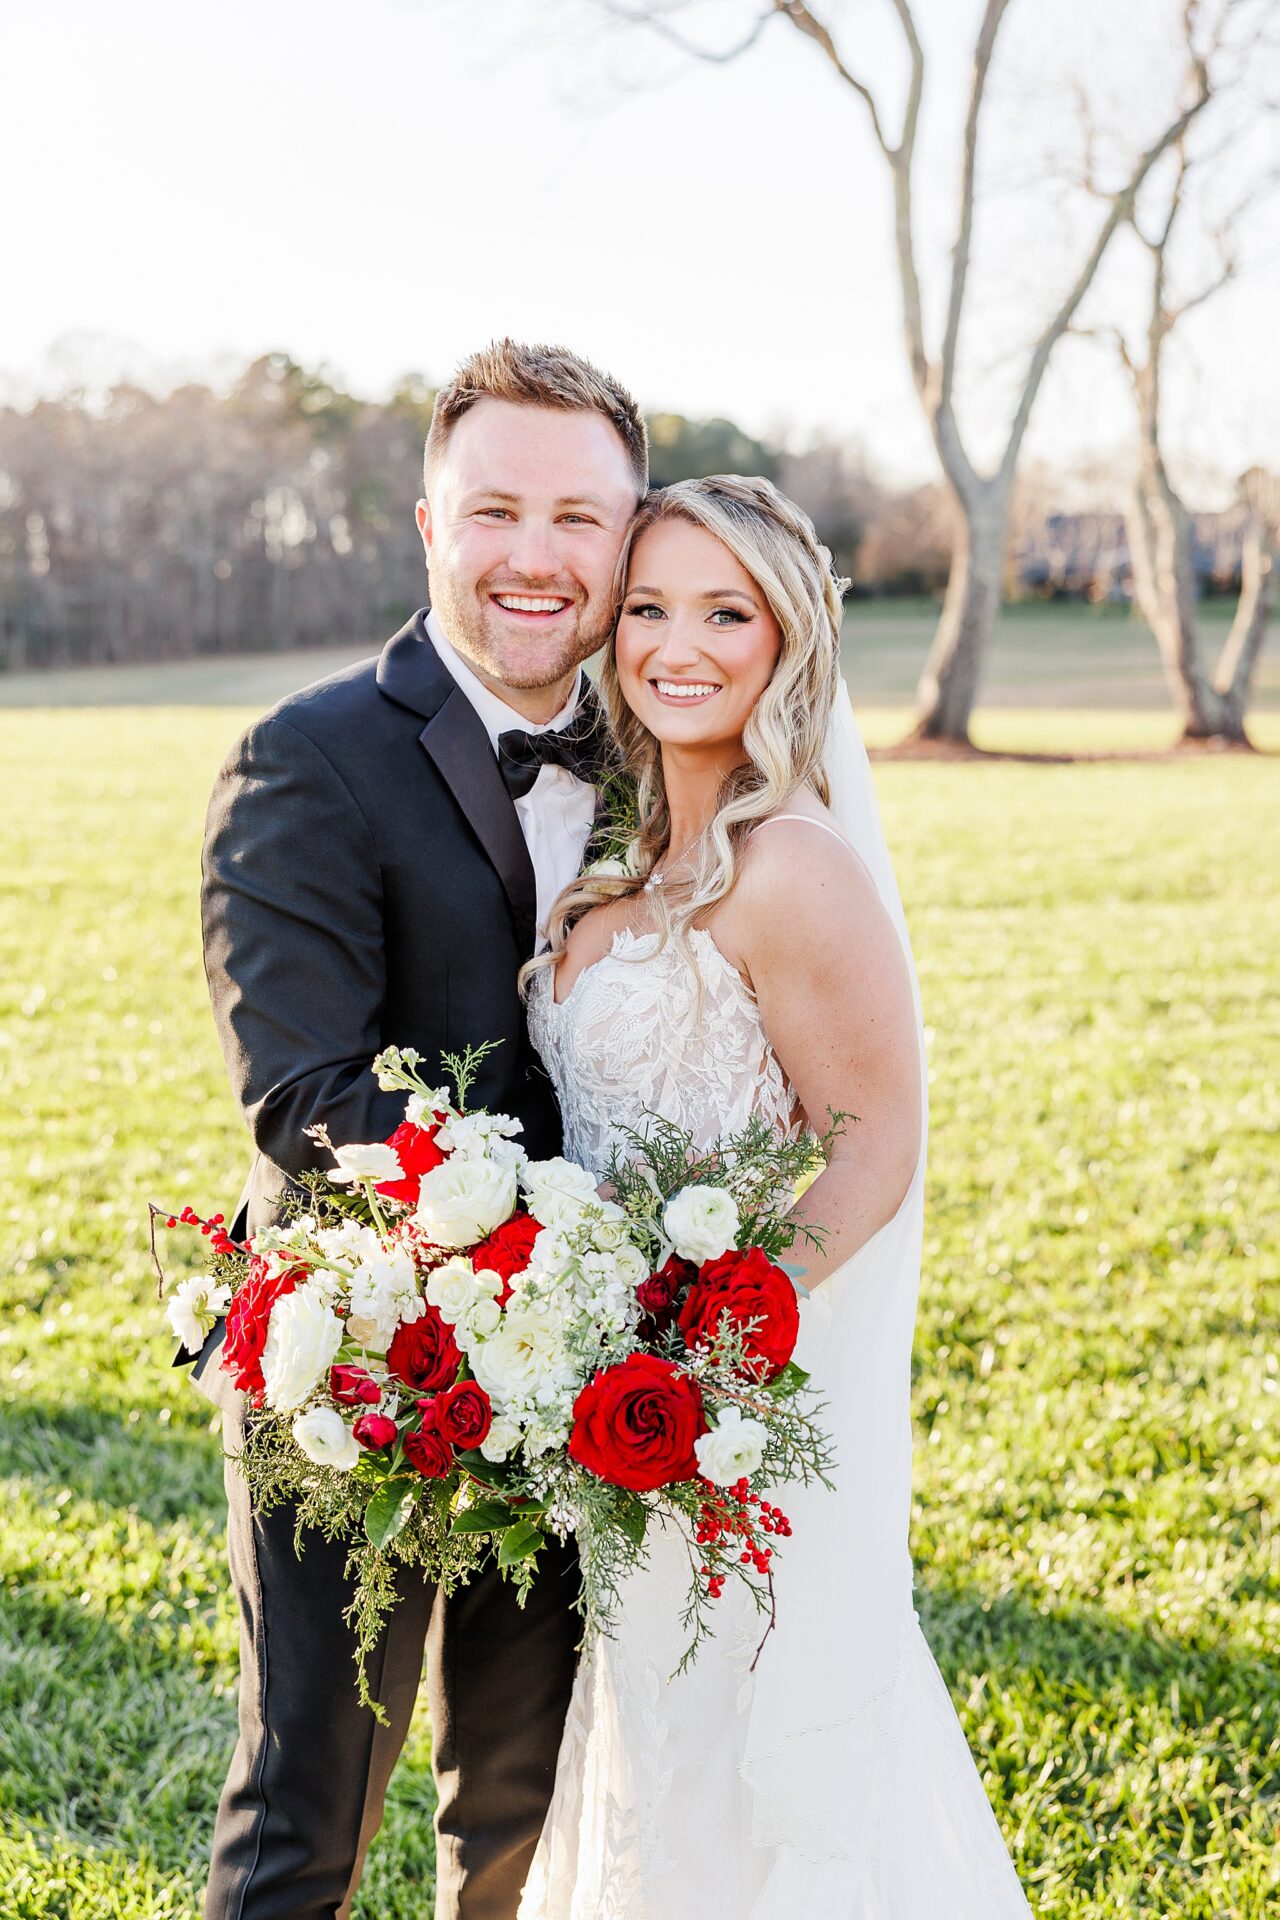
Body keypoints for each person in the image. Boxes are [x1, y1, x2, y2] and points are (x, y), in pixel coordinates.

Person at [518, 476, 1034, 1916]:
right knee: (657, 1755)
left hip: (719, 1409)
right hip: (603, 1403)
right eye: (649, 609)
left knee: (758, 1771)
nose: (677, 645)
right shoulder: (628, 856)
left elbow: (872, 1146)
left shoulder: (794, 864)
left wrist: (705, 1342)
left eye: (723, 611)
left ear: (787, 638)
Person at [190, 340, 644, 1920]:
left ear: (632, 536)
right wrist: (570, 1229)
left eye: (581, 518)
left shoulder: (672, 756)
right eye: (497, 508)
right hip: (359, 1362)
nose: (538, 556)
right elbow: (306, 1095)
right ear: (429, 525)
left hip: (599, 1375)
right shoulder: (306, 755)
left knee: (526, 1802)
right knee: (309, 1805)